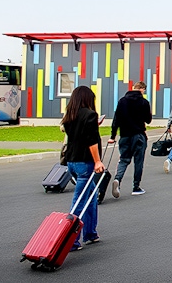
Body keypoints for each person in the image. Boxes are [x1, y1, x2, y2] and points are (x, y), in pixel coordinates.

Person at [61, 86, 105, 251]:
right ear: (88, 99)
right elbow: (91, 140)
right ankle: (71, 241)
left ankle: (91, 233)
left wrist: (95, 125)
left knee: (91, 197)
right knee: (79, 202)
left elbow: (77, 136)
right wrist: (97, 161)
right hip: (85, 163)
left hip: (72, 162)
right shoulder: (90, 115)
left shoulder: (69, 116)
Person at [108, 81, 152, 198]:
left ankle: (117, 179)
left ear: (133, 88)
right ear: (142, 89)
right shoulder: (144, 102)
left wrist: (112, 136)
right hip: (138, 135)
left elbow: (116, 120)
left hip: (125, 135)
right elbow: (148, 120)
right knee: (138, 161)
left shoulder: (122, 101)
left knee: (124, 159)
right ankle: (136, 187)